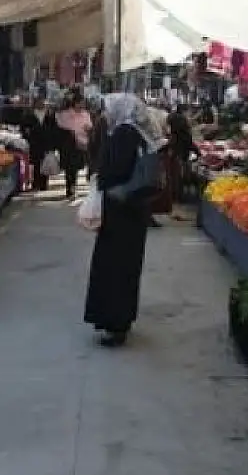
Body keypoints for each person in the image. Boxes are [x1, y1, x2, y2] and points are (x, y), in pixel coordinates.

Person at [84, 93, 154, 347]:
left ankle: (115, 325)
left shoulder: (123, 134)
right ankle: (121, 321)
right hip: (133, 212)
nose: (106, 112)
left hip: (120, 211)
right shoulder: (138, 133)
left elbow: (112, 170)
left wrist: (100, 178)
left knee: (114, 267)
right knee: (127, 267)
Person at [56, 93, 93, 198]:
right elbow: (60, 127)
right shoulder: (65, 114)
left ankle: (73, 186)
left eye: (83, 103)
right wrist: (69, 132)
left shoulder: (86, 114)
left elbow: (90, 127)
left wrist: (87, 130)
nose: (81, 105)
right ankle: (69, 188)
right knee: (69, 167)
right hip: (68, 144)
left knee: (75, 167)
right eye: (80, 103)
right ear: (75, 103)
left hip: (80, 144)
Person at [20, 96, 57, 191]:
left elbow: (54, 129)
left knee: (45, 163)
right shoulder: (29, 115)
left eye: (43, 102)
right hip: (34, 143)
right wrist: (28, 136)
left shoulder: (49, 115)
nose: (42, 104)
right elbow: (24, 129)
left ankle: (44, 184)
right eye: (39, 102)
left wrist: (53, 143)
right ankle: (35, 183)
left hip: (46, 143)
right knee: (36, 164)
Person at [167, 104, 201, 203]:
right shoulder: (182, 122)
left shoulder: (172, 118)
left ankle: (175, 196)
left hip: (175, 150)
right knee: (181, 174)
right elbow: (188, 140)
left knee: (175, 174)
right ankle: (180, 196)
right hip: (182, 151)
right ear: (184, 111)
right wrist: (197, 152)